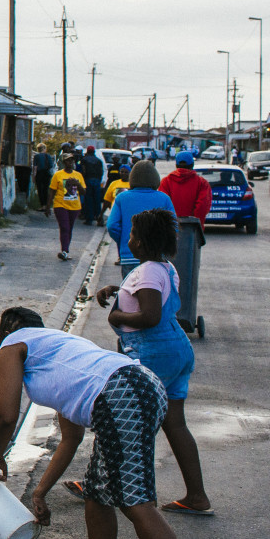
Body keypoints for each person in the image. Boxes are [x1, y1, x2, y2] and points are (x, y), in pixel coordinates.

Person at [0, 307, 221, 539]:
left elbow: (5, 415)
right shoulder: (58, 350)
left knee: (136, 503)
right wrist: (40, 492)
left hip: (121, 396)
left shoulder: (12, 344)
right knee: (97, 497)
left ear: (5, 332)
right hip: (140, 386)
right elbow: (71, 439)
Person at [94, 210, 211, 514]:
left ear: (143, 242)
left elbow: (149, 315)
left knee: (123, 419)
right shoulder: (164, 267)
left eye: (132, 235)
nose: (129, 240)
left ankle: (103, 484)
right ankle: (197, 495)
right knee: (175, 424)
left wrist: (116, 316)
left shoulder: (146, 271)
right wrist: (119, 291)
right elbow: (149, 297)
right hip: (176, 351)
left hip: (152, 353)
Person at [106, 160, 175, 277]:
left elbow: (112, 226)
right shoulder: (164, 198)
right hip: (157, 256)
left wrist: (124, 240)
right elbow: (173, 227)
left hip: (129, 255)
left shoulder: (122, 198)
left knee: (131, 287)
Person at [49, 160, 88, 260]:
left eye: (71, 161)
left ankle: (66, 250)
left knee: (69, 228)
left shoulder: (78, 175)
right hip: (60, 205)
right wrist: (47, 206)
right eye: (67, 161)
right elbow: (52, 191)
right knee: (64, 227)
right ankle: (64, 251)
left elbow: (83, 192)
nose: (70, 163)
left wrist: (77, 184)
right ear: (64, 163)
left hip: (74, 206)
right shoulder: (58, 175)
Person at [77, 146, 106, 227]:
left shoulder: (84, 160)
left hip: (88, 180)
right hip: (96, 181)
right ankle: (99, 219)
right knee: (97, 200)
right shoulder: (98, 161)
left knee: (88, 200)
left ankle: (89, 219)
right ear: (94, 151)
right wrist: (98, 180)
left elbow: (83, 171)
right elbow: (101, 172)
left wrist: (83, 181)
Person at [31, 144, 56, 217]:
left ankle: (43, 205)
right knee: (46, 189)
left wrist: (34, 176)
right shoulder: (48, 156)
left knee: (40, 190)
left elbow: (35, 167)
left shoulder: (36, 156)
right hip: (47, 174)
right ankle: (47, 205)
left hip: (39, 174)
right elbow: (51, 165)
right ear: (44, 148)